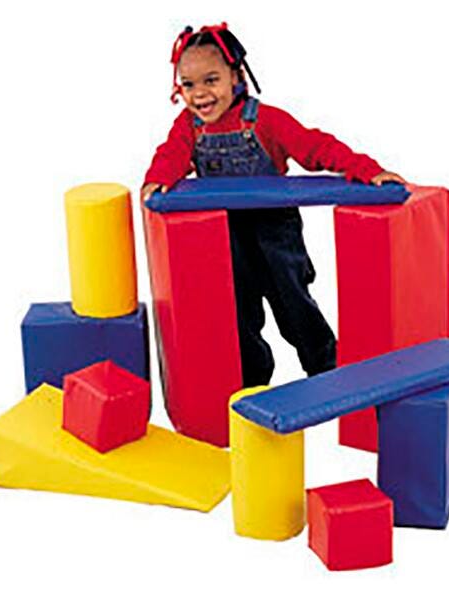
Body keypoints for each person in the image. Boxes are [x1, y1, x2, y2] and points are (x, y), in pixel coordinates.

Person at [142, 23, 405, 387]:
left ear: (236, 76)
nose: (199, 93)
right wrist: (157, 177)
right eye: (188, 84)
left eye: (211, 80)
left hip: (274, 230)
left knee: (293, 303)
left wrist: (367, 170)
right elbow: (171, 154)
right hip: (225, 234)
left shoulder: (265, 120)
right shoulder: (189, 127)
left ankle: (326, 370)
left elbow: (316, 147)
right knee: (238, 311)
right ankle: (251, 385)